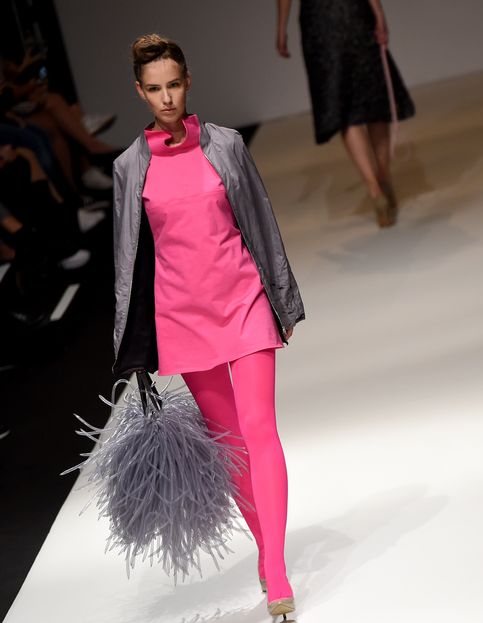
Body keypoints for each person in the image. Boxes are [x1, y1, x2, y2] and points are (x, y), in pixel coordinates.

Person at [112, 34, 304, 619]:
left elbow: (261, 221)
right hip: (181, 318)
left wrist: (282, 298)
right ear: (140, 92)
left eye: (174, 84)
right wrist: (130, 344)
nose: (167, 98)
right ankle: (267, 547)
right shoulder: (129, 168)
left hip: (244, 301)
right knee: (231, 446)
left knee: (260, 429)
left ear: (188, 82)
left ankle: (276, 569)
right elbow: (126, 262)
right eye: (155, 89)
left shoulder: (227, 145)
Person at [276, 0, 415, 227]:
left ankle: (375, 190)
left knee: (343, 109)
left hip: (319, 23)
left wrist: (281, 28)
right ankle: (384, 177)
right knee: (374, 100)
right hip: (354, 11)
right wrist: (378, 12)